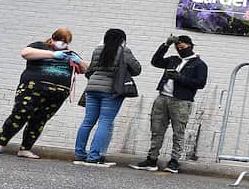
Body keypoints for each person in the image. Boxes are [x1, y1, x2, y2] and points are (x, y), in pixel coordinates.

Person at [0, 28, 88, 158]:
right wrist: (52, 55)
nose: (62, 43)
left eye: (65, 41)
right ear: (52, 39)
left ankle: (25, 149)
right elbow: (25, 53)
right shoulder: (40, 46)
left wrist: (78, 61)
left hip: (57, 93)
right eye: (60, 40)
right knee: (20, 114)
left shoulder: (69, 53)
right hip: (33, 88)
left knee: (39, 120)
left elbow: (84, 70)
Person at [130, 34, 208, 174]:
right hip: (163, 98)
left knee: (178, 132)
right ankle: (152, 159)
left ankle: (174, 161)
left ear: (190, 46)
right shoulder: (173, 59)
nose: (180, 48)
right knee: (157, 129)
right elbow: (156, 61)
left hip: (182, 101)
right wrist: (165, 45)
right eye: (177, 46)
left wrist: (180, 78)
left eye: (183, 46)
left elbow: (200, 83)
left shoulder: (199, 64)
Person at [74, 28, 141, 167]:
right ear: (122, 39)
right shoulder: (124, 51)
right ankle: (94, 156)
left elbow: (90, 69)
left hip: (92, 88)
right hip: (111, 91)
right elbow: (137, 69)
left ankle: (79, 154)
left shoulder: (98, 49)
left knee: (87, 122)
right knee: (105, 122)